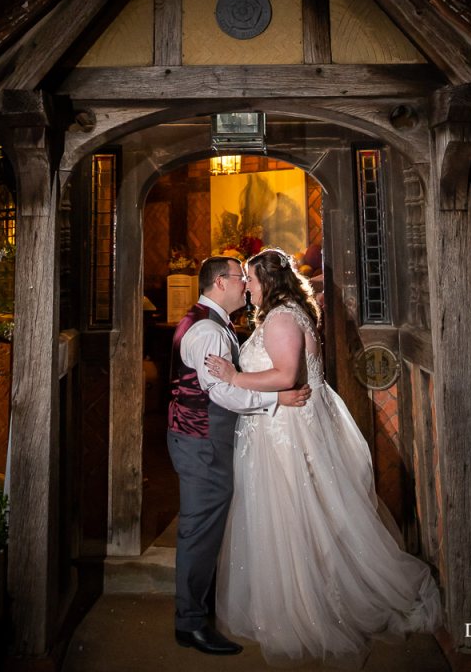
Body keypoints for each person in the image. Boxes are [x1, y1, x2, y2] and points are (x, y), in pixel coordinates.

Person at [205, 248, 443, 669]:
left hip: (287, 433)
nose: (248, 286)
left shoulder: (281, 319)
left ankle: (307, 605)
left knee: (295, 513)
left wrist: (234, 375)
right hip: (283, 424)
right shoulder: (286, 314)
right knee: (300, 513)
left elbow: (283, 374)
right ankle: (297, 593)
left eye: (253, 280)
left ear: (270, 282)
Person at [167, 254, 311, 657]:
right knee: (198, 530)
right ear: (219, 283)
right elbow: (223, 392)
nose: (245, 284)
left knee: (208, 527)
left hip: (201, 438)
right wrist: (276, 399)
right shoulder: (207, 332)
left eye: (248, 278)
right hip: (201, 441)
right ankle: (190, 623)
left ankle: (198, 608)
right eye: (239, 277)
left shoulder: (211, 324)